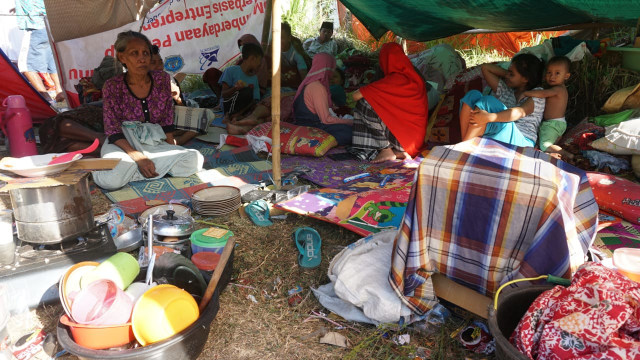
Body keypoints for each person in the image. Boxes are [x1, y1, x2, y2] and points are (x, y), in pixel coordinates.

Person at [92, 31, 203, 190]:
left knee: (194, 159)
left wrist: (172, 148)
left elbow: (166, 118)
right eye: (134, 53)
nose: (142, 58)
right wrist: (138, 158)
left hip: (152, 140)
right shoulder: (112, 86)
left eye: (145, 53)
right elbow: (112, 129)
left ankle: (139, 171)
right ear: (122, 58)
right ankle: (135, 168)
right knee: (113, 180)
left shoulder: (161, 79)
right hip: (123, 142)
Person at [350, 43, 429, 163]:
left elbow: (355, 96)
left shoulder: (393, 80)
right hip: (414, 144)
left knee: (365, 102)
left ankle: (385, 149)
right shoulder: (416, 79)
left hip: (403, 142)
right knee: (378, 104)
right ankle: (399, 151)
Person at [459, 53, 545, 147]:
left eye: (511, 74)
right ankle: (464, 144)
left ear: (525, 79)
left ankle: (463, 148)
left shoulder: (537, 94)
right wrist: (510, 75)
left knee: (487, 102)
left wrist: (490, 117)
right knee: (473, 95)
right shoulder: (506, 90)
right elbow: (485, 68)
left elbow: (519, 112)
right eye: (508, 72)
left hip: (522, 140)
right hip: (500, 132)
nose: (507, 76)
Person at [292, 52, 353, 145]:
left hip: (304, 125)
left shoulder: (311, 84)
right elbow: (326, 120)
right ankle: (322, 143)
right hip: (311, 127)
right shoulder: (317, 87)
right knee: (351, 132)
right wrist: (351, 121)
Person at [14, 0, 64, 102]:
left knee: (26, 66)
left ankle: (47, 100)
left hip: (36, 27)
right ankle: (60, 92)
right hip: (50, 25)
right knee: (52, 62)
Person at [523, 56, 572, 159]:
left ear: (566, 76)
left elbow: (543, 93)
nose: (552, 76)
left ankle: (566, 154)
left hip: (552, 124)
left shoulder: (558, 89)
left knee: (545, 145)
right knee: (543, 137)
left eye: (557, 73)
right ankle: (556, 142)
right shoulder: (558, 88)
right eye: (549, 72)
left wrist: (527, 93)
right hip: (557, 124)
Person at [219, 43, 263, 118]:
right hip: (228, 107)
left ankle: (238, 116)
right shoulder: (230, 71)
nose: (260, 64)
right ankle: (232, 116)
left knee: (255, 101)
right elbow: (224, 94)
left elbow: (255, 100)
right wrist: (235, 88)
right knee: (247, 91)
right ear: (253, 58)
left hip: (243, 110)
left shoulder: (254, 78)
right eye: (259, 60)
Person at [279, 22, 309, 89]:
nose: (278, 40)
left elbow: (303, 75)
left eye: (281, 38)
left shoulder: (296, 53)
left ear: (289, 38)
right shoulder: (272, 48)